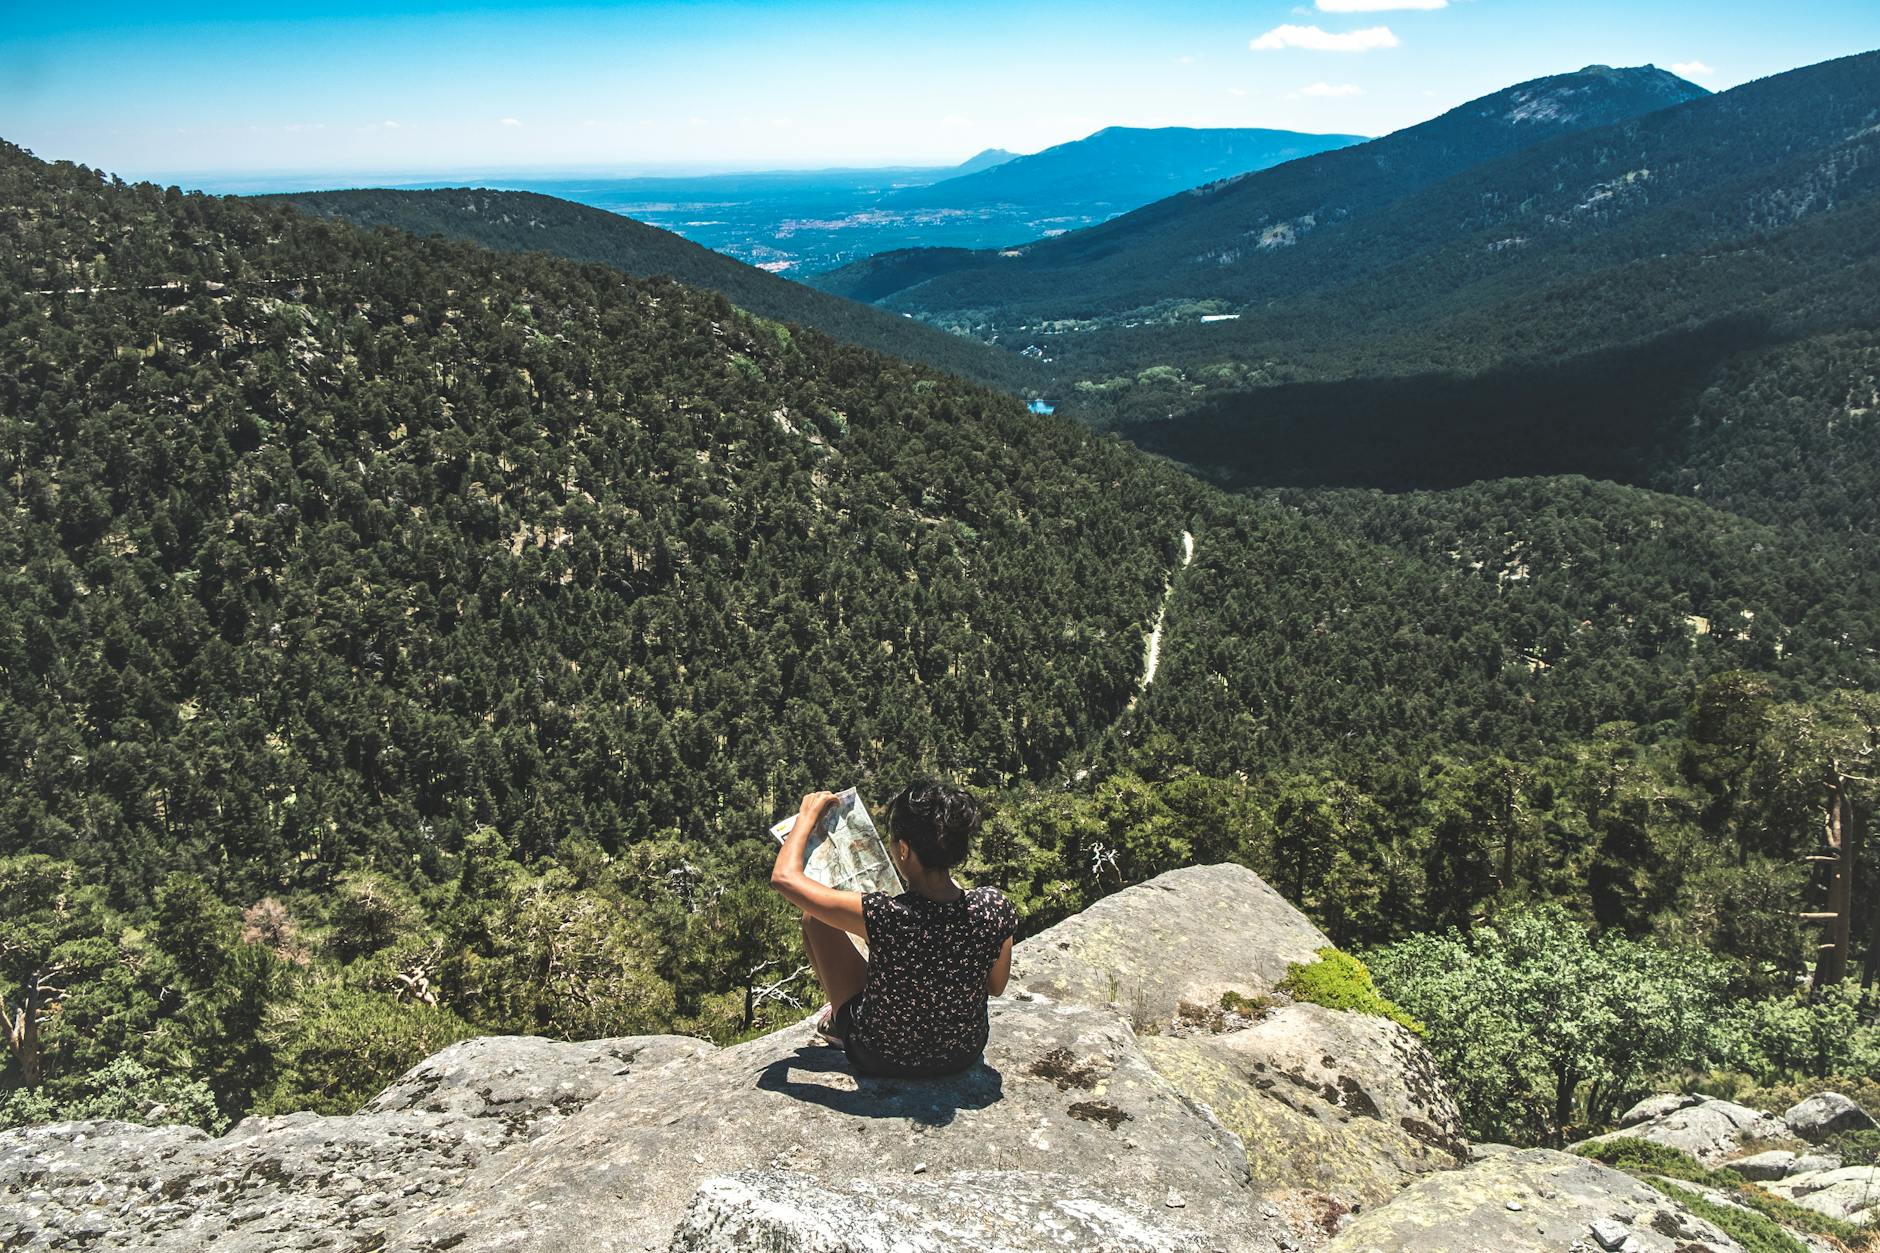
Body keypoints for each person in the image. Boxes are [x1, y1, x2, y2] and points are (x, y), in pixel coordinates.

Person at [769, 780, 1016, 1077]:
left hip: (878, 1055)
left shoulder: (887, 914)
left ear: (903, 849)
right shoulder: (993, 906)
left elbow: (784, 878)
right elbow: (996, 986)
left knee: (816, 917)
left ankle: (837, 1019)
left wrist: (807, 817)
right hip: (962, 1052)